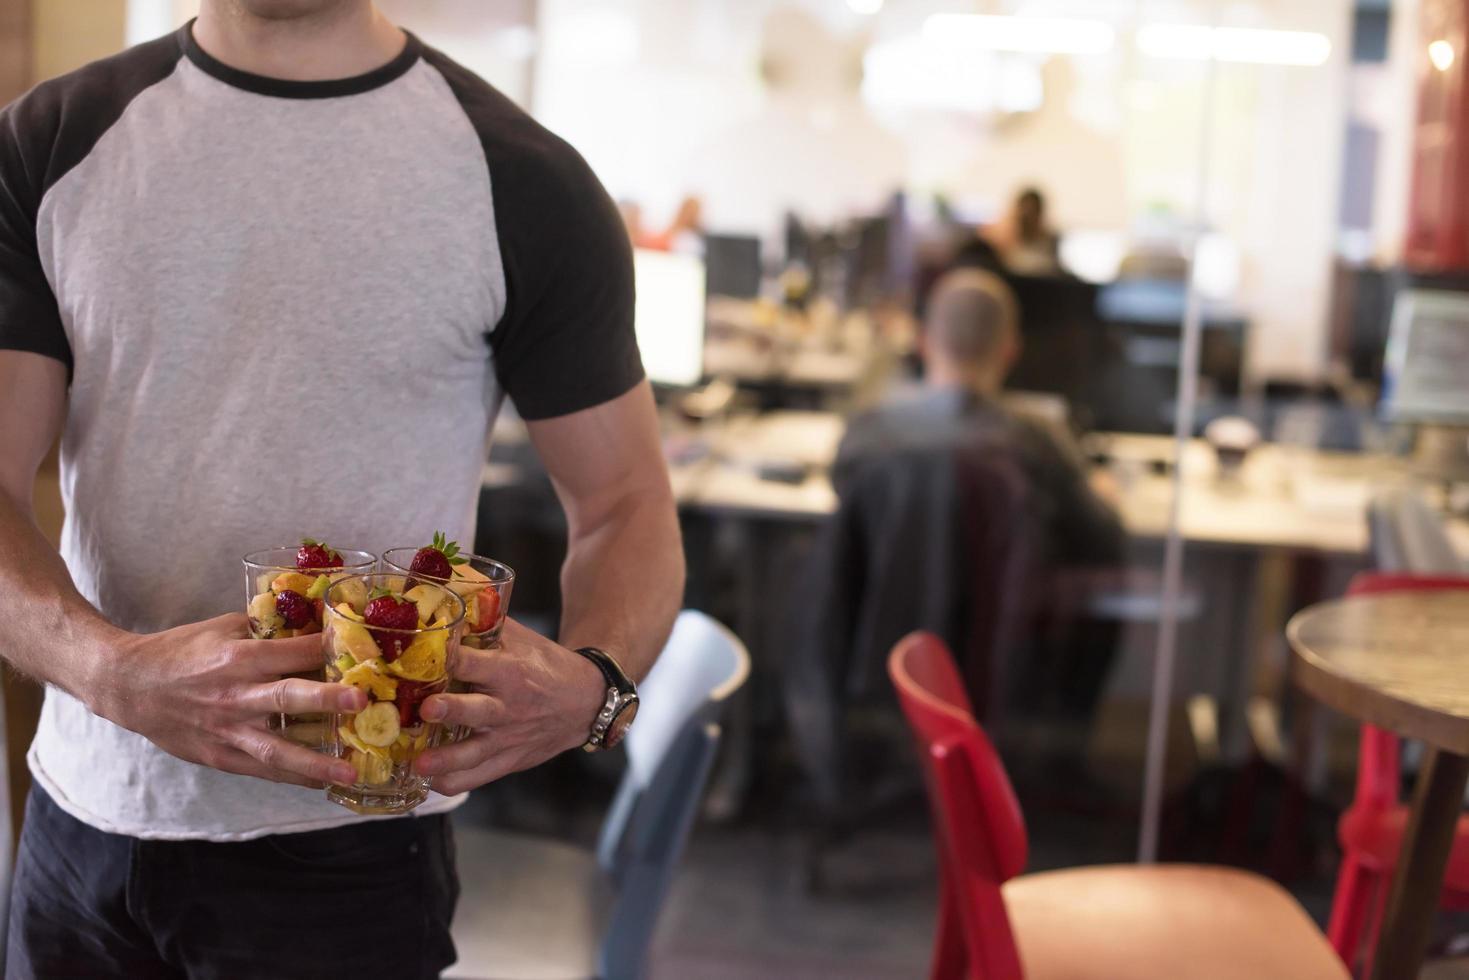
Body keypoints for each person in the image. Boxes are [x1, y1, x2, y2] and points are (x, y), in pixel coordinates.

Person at [0, 2, 684, 976]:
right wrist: (112, 671)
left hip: (351, 845)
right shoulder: (49, 142)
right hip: (81, 815)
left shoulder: (521, 177)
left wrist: (597, 684)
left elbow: (624, 501)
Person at [985, 186, 1062, 276]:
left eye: (1032, 212)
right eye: (1024, 212)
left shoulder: (1050, 242)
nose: (1027, 216)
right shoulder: (1000, 239)